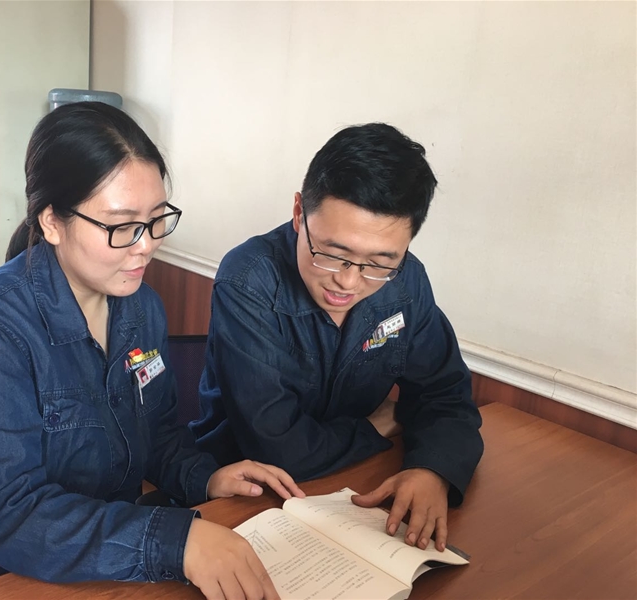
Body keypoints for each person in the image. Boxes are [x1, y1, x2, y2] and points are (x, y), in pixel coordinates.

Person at [0, 102, 302, 600]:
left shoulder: (142, 310)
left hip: (103, 555)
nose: (146, 245)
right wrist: (175, 542)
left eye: (156, 219)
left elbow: (157, 434)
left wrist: (206, 477)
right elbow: (0, 514)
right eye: (121, 225)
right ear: (52, 222)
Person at [191, 123, 483, 554]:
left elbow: (446, 395)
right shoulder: (249, 281)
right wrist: (373, 426)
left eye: (380, 262)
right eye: (332, 253)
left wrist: (432, 470)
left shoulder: (407, 282)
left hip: (352, 483)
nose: (348, 282)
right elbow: (278, 447)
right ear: (299, 213)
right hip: (243, 493)